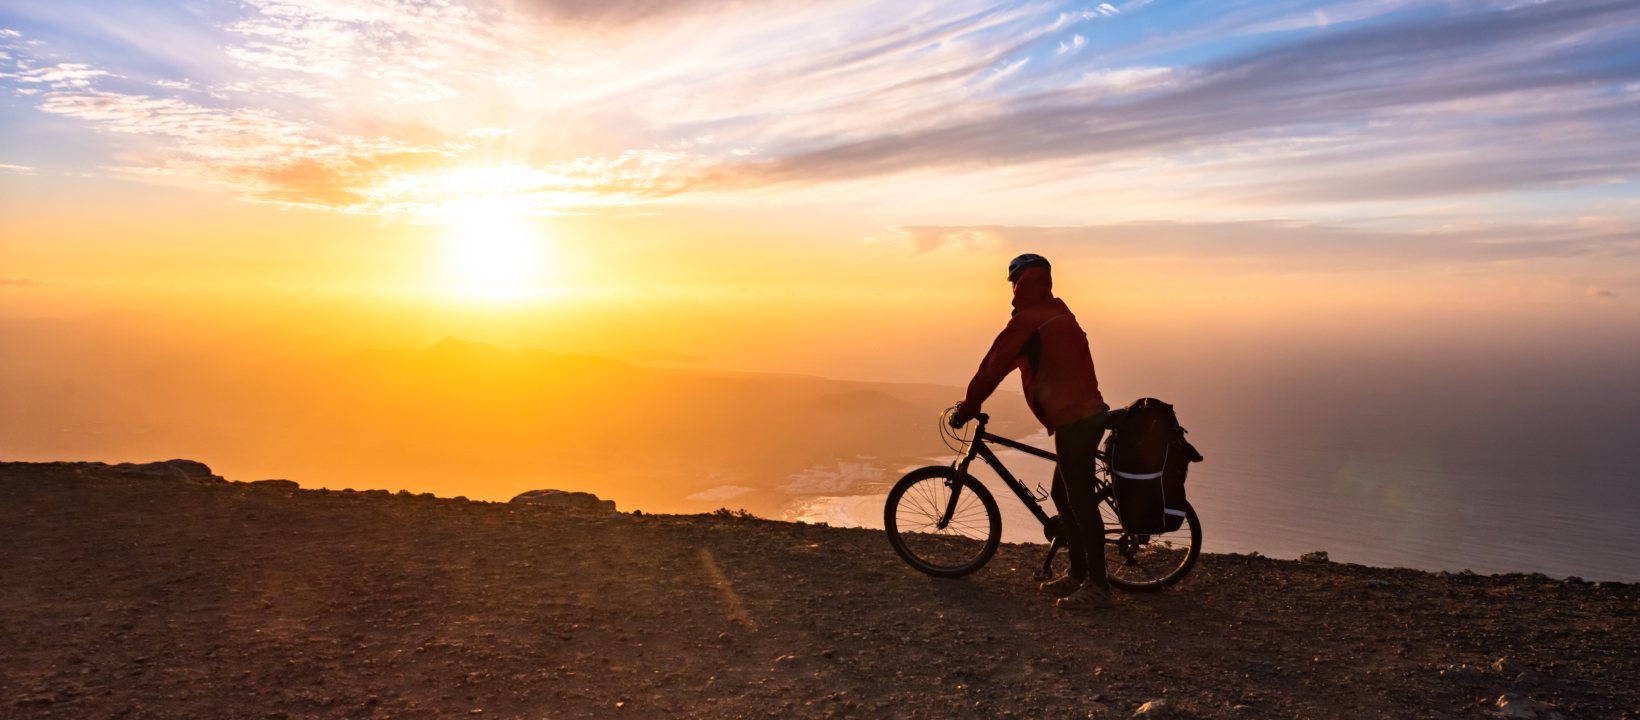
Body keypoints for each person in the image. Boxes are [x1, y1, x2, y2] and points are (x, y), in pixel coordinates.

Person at [949, 253, 1115, 609]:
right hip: (1086, 415)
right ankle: (1076, 573)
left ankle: (1098, 586)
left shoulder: (1028, 323)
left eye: (1013, 283)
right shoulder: (1059, 313)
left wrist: (968, 408)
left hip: (1075, 420)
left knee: (1081, 502)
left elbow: (993, 367)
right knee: (1062, 493)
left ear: (1020, 283)